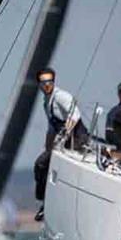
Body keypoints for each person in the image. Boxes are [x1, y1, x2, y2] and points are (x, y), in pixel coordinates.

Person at [33, 67, 88, 221]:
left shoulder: (61, 96)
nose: (47, 85)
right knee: (42, 164)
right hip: (64, 141)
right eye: (43, 82)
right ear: (39, 84)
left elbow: (75, 115)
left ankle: (46, 203)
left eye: (49, 81)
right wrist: (47, 149)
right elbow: (51, 129)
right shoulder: (46, 102)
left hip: (77, 138)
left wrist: (65, 134)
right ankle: (46, 202)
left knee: (41, 164)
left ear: (54, 82)